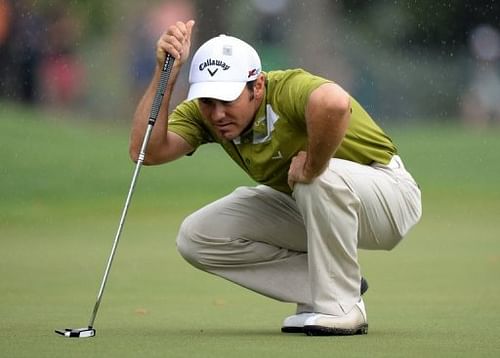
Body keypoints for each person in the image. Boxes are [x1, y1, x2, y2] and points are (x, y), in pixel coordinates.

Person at [130, 20, 422, 336]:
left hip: (389, 196)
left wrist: (312, 165)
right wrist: (165, 77)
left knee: (313, 178)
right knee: (197, 236)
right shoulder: (204, 117)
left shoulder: (285, 90)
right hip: (314, 202)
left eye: (227, 100)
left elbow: (335, 104)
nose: (217, 114)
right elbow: (146, 151)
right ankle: (328, 289)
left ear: (257, 87)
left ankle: (343, 306)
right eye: (207, 102)